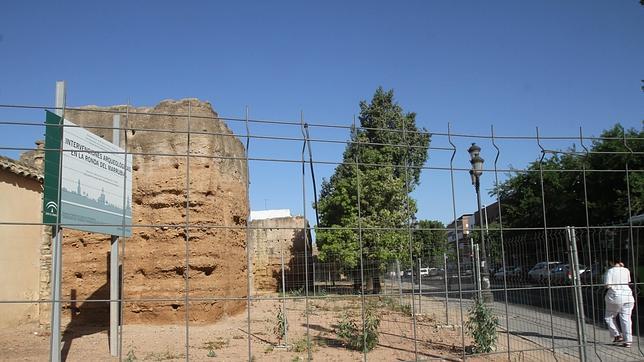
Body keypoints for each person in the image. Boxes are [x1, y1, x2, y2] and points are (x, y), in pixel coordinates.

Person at [604, 260, 634, 348]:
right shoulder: (626, 270)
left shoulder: (610, 271)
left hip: (615, 296)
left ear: (611, 262)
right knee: (626, 318)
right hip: (628, 296)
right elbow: (628, 281)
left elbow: (607, 285)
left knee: (609, 317)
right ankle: (628, 341)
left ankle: (617, 335)